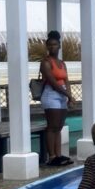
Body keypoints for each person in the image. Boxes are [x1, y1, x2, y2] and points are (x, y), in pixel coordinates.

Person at [39, 31, 74, 166]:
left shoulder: (61, 63)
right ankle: (52, 156)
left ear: (59, 46)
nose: (52, 47)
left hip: (62, 94)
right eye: (50, 45)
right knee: (52, 126)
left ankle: (59, 155)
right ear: (47, 47)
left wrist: (69, 95)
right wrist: (69, 95)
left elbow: (66, 80)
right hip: (51, 94)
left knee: (58, 127)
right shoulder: (46, 62)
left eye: (55, 45)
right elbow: (53, 82)